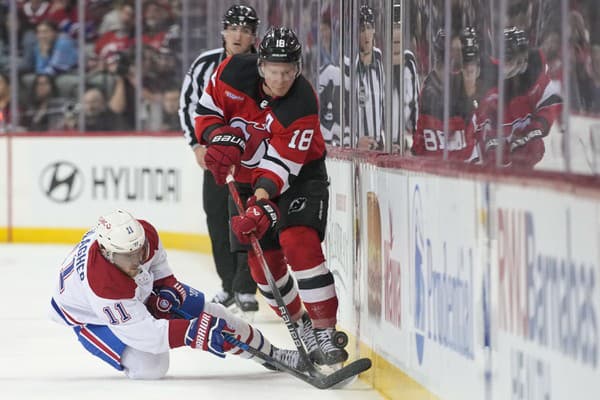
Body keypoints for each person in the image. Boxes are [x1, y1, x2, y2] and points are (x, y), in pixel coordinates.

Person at [194, 26, 348, 367]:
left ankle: (325, 331)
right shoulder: (232, 72)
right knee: (262, 265)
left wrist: (262, 203)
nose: (280, 80)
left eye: (288, 72)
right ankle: (301, 326)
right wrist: (219, 140)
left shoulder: (302, 101)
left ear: (298, 69)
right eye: (274, 72)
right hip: (248, 180)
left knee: (299, 241)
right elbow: (205, 114)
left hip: (299, 177)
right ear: (261, 65)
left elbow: (281, 165)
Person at [49, 208, 306, 379]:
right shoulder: (103, 285)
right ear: (107, 253)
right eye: (127, 256)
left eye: (138, 251)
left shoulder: (143, 237)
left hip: (132, 291)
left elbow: (158, 265)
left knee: (209, 311)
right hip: (88, 315)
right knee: (152, 367)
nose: (136, 260)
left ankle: (273, 355)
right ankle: (90, 333)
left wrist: (168, 287)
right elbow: (148, 335)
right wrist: (193, 332)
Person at [179, 4, 260, 314]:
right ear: (224, 31)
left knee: (248, 218)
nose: (238, 35)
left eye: (246, 30)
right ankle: (228, 285)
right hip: (215, 158)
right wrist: (196, 145)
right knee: (217, 217)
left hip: (252, 160)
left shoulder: (262, 65)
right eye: (234, 28)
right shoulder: (205, 64)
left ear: (254, 35)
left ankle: (245, 286)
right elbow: (188, 105)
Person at [473, 27, 562, 168]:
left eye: (507, 58)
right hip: (491, 174)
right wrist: (492, 143)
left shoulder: (535, 74)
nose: (501, 63)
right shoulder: (488, 85)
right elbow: (483, 124)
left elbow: (551, 101)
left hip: (525, 173)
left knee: (532, 149)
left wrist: (537, 127)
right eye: (502, 58)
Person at [355, 5, 385, 150]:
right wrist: (355, 141)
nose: (366, 34)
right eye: (361, 30)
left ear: (374, 29)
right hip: (358, 152)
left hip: (380, 148)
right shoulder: (348, 67)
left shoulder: (381, 62)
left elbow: (386, 105)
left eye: (368, 27)